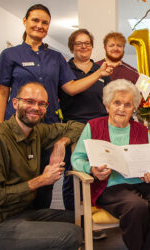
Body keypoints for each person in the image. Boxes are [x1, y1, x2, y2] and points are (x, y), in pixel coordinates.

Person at [0, 4, 113, 209]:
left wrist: (99, 73)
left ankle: (42, 222)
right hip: (17, 128)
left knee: (47, 180)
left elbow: (71, 88)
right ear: (25, 21)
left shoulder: (56, 58)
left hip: (48, 127)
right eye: (35, 20)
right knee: (18, 178)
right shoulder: (10, 55)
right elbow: (2, 93)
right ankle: (19, 226)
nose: (39, 25)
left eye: (44, 22)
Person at [71, 79, 150, 249]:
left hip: (144, 183)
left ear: (133, 109)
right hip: (109, 186)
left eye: (127, 105)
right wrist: (91, 169)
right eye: (117, 103)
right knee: (136, 206)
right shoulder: (93, 126)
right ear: (107, 105)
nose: (121, 108)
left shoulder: (141, 129)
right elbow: (76, 159)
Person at [0, 82, 84, 249]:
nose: (36, 108)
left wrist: (60, 144)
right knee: (70, 234)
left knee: (82, 219)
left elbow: (78, 126)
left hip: (24, 213)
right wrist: (41, 180)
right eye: (29, 101)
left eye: (41, 104)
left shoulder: (37, 131)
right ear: (15, 103)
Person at [59, 28, 111, 212]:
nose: (83, 47)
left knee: (99, 172)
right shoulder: (64, 69)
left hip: (99, 128)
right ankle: (74, 220)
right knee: (73, 175)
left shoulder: (101, 70)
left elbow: (109, 100)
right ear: (72, 47)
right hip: (74, 127)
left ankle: (93, 219)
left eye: (87, 43)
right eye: (78, 43)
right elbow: (70, 90)